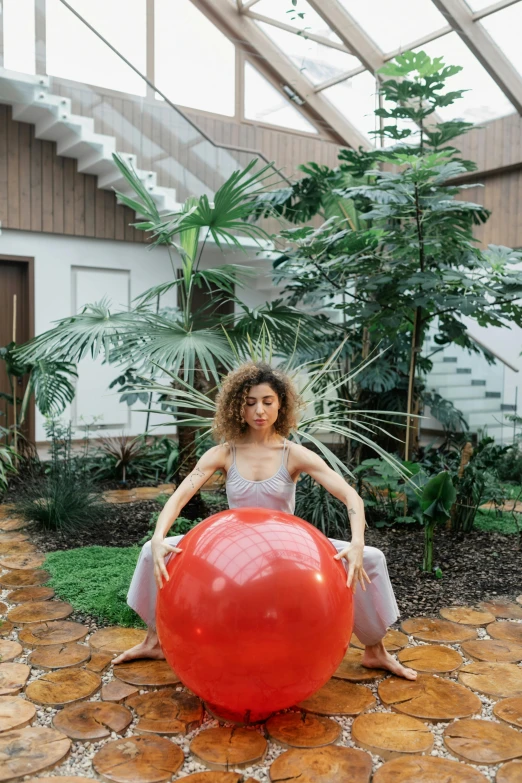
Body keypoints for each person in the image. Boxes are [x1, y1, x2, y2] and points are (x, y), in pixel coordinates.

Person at [113, 362, 416, 680]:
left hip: (286, 549)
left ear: (280, 404)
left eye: (267, 401)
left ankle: (375, 650)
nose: (259, 410)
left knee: (370, 558)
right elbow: (178, 498)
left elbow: (351, 497)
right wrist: (161, 535)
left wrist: (356, 542)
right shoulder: (224, 453)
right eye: (250, 402)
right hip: (231, 549)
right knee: (152, 549)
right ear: (237, 407)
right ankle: (153, 641)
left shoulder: (293, 454)